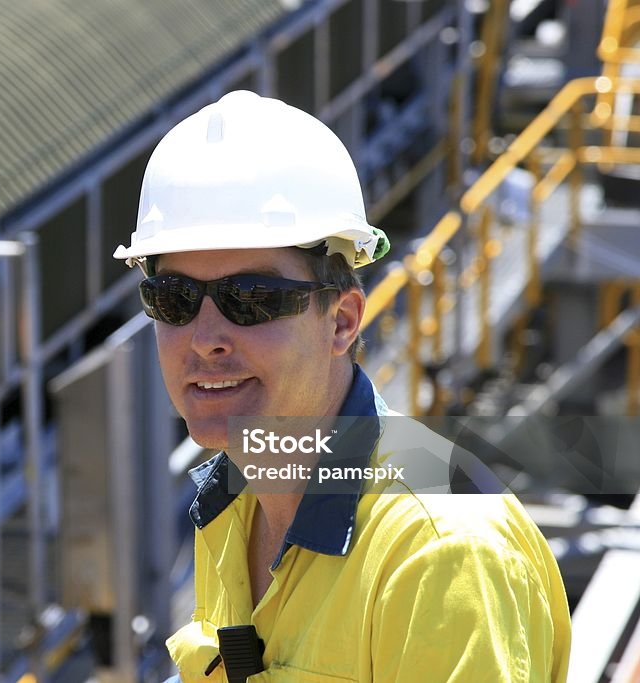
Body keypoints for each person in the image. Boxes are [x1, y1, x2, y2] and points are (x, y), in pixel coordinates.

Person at [113, 91, 571, 682]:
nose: (205, 340)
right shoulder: (233, 503)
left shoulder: (442, 555)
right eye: (174, 300)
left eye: (250, 299)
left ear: (342, 321)